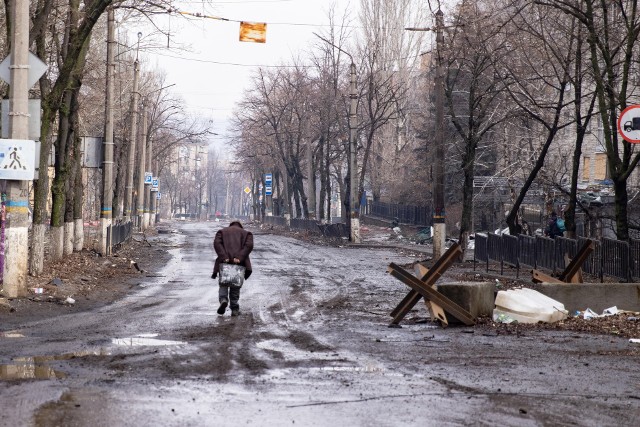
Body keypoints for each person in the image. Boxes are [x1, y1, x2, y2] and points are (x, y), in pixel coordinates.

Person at [212, 220, 254, 316]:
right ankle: (234, 308)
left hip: (224, 262)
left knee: (224, 283)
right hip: (239, 263)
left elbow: (217, 244)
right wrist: (239, 258)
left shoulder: (222, 232)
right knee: (235, 285)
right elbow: (249, 246)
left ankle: (223, 300)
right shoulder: (246, 233)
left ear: (230, 225)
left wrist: (224, 257)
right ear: (240, 226)